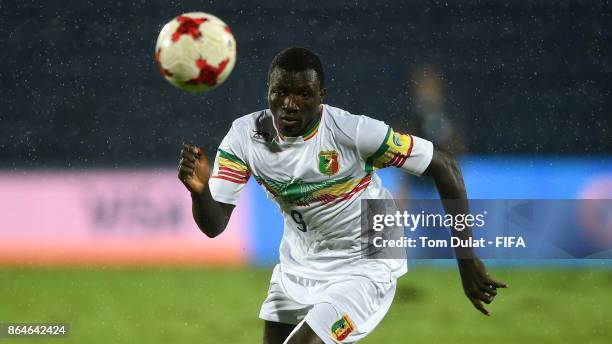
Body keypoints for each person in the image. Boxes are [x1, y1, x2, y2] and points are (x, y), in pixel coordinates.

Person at [178, 47, 506, 344]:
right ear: (268, 91)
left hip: (368, 260)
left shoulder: (354, 133)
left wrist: (466, 261)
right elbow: (214, 225)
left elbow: (444, 165)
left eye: (303, 94)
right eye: (280, 92)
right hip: (299, 262)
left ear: (321, 96)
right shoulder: (243, 138)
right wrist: (199, 193)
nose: (289, 104)